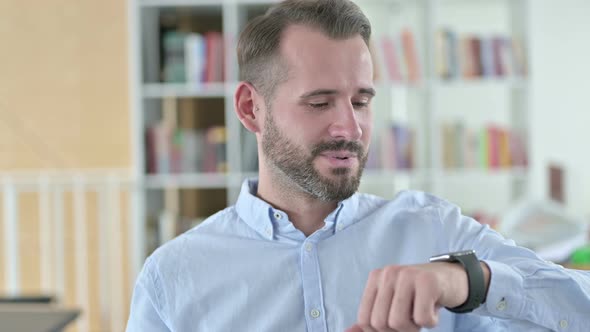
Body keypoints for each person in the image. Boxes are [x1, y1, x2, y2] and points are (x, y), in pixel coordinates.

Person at [126, 0, 590, 331]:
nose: (350, 128)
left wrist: (468, 279)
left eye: (361, 100)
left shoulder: (435, 231)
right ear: (251, 109)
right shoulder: (173, 278)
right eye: (320, 102)